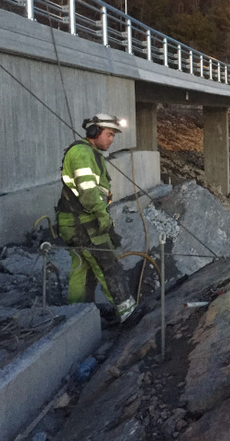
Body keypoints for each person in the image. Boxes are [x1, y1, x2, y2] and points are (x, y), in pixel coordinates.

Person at [56, 113, 136, 323]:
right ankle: (129, 315)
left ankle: (77, 317)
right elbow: (88, 191)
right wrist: (102, 216)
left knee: (82, 268)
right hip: (82, 221)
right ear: (94, 132)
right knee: (107, 265)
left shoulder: (88, 152)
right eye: (109, 134)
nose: (112, 139)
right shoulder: (82, 153)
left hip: (75, 221)